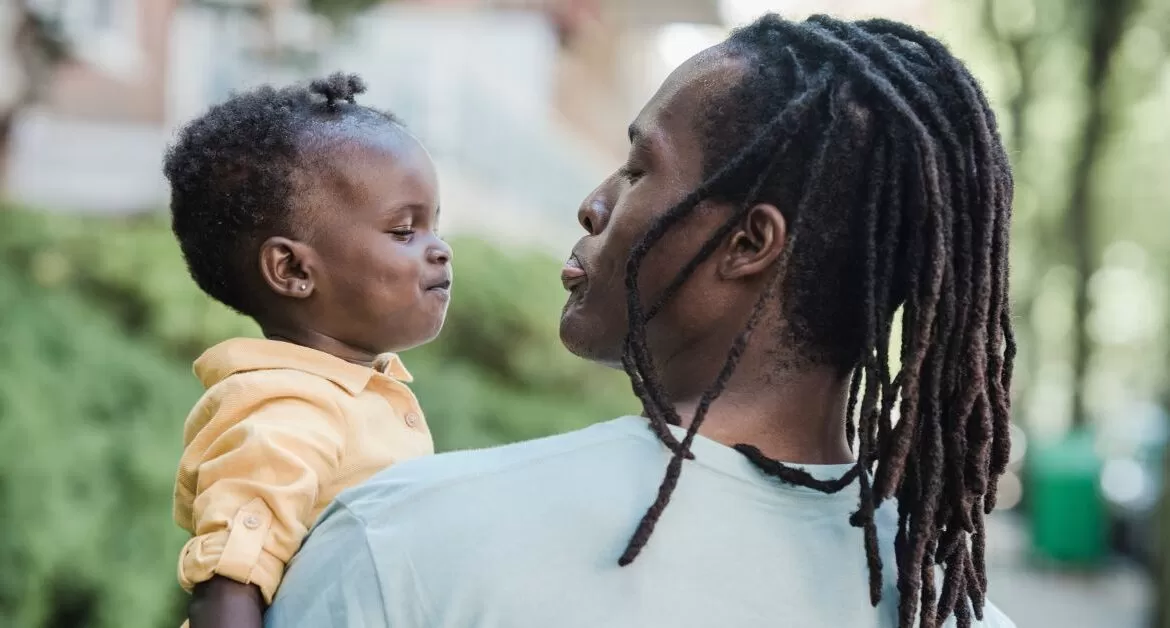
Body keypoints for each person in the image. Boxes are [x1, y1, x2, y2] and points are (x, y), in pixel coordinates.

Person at [267, 13, 1016, 628]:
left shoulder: (403, 544)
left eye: (637, 171)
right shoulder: (953, 612)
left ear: (748, 244)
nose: (593, 204)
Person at [163, 73, 452, 628]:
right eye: (403, 230)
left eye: (434, 225)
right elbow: (228, 587)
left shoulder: (353, 396)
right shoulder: (291, 413)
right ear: (294, 269)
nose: (439, 249)